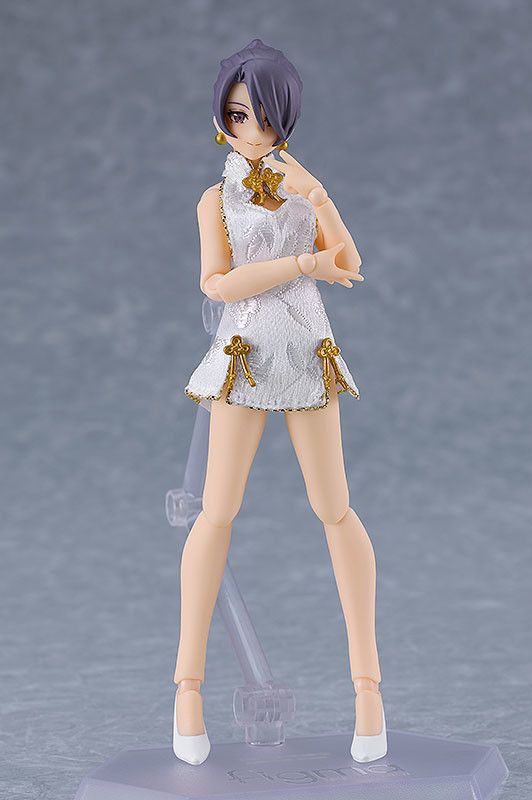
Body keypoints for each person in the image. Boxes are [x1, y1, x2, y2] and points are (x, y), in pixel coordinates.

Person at [173, 39, 386, 766]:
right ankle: (188, 689)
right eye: (239, 115)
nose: (251, 129)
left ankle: (368, 692)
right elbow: (216, 283)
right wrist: (300, 263)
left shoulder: (299, 185)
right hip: (245, 355)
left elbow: (349, 264)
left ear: (285, 118)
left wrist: (318, 196)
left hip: (307, 354)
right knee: (215, 511)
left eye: (263, 115)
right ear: (222, 117)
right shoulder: (216, 199)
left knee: (336, 508)